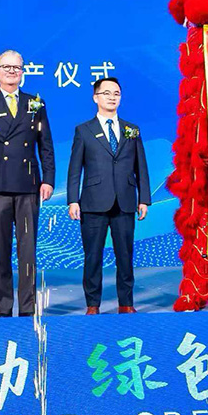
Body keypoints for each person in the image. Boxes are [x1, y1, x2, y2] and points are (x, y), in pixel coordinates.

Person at [0, 50, 55, 317]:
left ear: (23, 72)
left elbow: (46, 146)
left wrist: (48, 179)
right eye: (6, 67)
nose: (11, 71)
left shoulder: (35, 104)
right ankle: (4, 309)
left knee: (28, 252)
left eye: (16, 67)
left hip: (28, 186)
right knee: (1, 252)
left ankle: (28, 309)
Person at [67, 77, 150, 314]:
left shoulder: (132, 130)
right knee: (93, 256)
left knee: (125, 255)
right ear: (96, 97)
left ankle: (126, 303)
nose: (112, 97)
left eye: (116, 93)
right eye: (107, 93)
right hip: (93, 202)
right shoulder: (84, 130)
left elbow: (141, 166)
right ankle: (93, 304)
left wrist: (144, 198)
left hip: (125, 201)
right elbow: (75, 169)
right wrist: (73, 200)